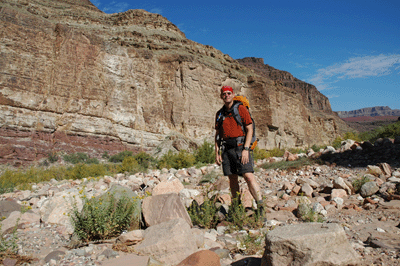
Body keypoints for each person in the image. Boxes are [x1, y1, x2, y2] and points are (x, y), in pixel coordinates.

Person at [215, 85, 264, 213]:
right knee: (232, 179)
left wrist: (246, 149)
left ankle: (260, 206)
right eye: (224, 94)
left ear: (233, 94)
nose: (226, 95)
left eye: (228, 93)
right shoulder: (219, 114)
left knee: (248, 176)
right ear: (221, 96)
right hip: (226, 149)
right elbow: (217, 136)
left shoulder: (240, 109)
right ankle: (237, 208)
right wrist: (217, 153)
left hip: (241, 147)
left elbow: (249, 129)